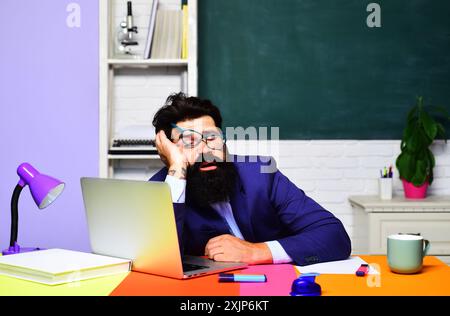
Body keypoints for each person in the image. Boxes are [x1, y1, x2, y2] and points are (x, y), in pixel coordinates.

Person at [150, 92, 351, 266]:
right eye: (189, 142)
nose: (206, 151)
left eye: (212, 137)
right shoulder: (159, 189)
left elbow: (334, 236)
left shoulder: (261, 174)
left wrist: (257, 252)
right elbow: (156, 260)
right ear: (167, 150)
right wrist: (176, 167)